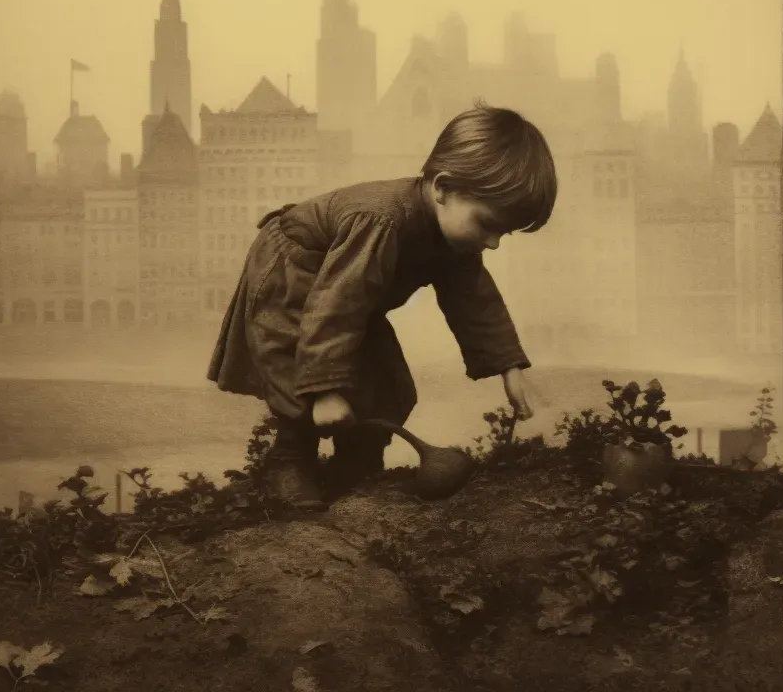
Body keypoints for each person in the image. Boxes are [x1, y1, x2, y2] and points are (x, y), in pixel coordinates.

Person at [207, 101, 558, 508]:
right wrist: (325, 390)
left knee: (386, 381)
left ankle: (357, 461)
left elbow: (474, 298)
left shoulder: (454, 236)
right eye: (488, 225)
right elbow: (335, 307)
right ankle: (290, 461)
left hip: (346, 296)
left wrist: (507, 365)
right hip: (296, 277)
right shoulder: (380, 220)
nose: (493, 242)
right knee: (296, 371)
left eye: (504, 233)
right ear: (442, 187)